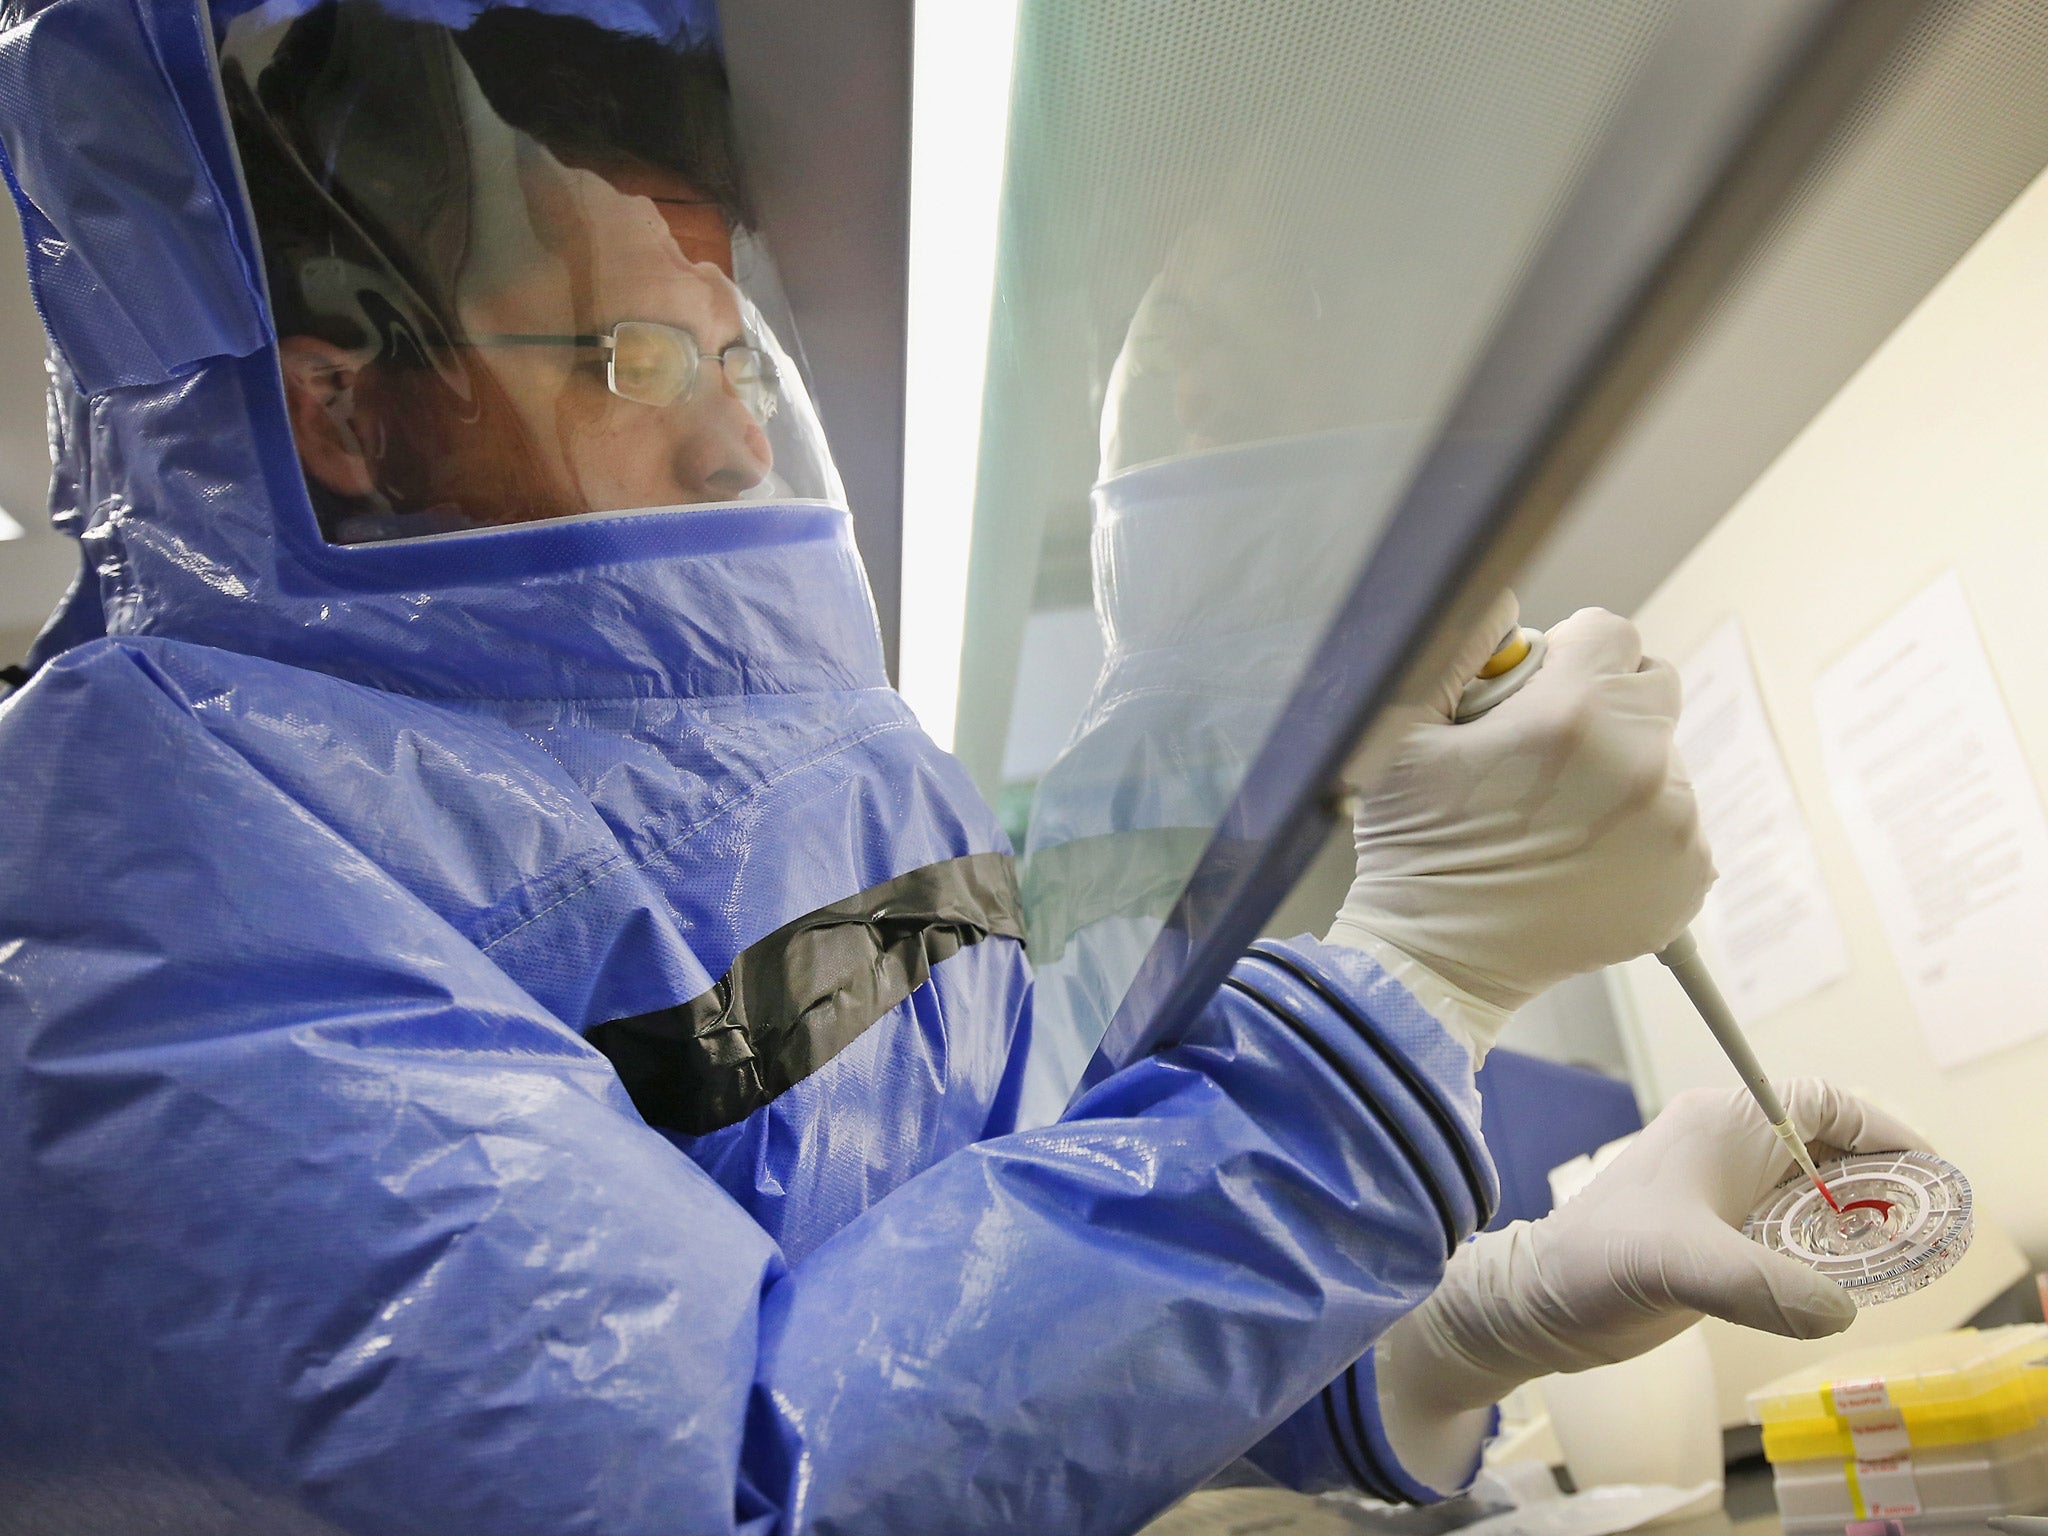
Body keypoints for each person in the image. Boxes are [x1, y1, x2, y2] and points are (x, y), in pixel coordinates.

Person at [0, 2, 1923, 1531]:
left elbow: (966, 1343)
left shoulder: (810, 743)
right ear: (344, 404)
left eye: (735, 365)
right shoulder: (150, 903)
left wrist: (1444, 1330)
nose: (734, 446)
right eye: (634, 369)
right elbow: (719, 1495)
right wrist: (1404, 1010)